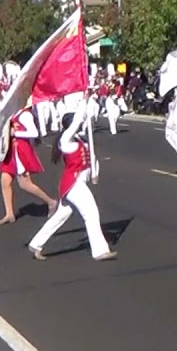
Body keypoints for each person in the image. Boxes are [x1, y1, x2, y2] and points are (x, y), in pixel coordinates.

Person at [27, 111, 117, 261]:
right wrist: (83, 103)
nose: (80, 123)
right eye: (77, 121)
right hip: (73, 184)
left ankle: (36, 244)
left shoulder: (80, 140)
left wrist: (96, 173)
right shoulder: (66, 140)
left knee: (60, 217)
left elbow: (92, 158)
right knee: (91, 213)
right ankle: (100, 251)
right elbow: (76, 124)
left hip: (75, 184)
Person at [0, 102, 57, 225]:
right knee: (5, 181)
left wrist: (15, 133)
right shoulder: (15, 113)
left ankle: (51, 202)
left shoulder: (25, 115)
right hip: (11, 150)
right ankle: (9, 213)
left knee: (25, 184)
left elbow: (34, 133)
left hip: (20, 151)